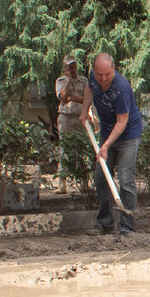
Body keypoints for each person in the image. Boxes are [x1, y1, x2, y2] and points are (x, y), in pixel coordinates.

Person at [81, 53, 142, 236]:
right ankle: (105, 223)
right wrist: (85, 111)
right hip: (108, 132)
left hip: (128, 135)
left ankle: (127, 227)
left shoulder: (121, 88)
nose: (103, 78)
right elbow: (89, 90)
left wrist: (106, 146)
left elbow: (122, 122)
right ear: (94, 72)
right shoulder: (94, 78)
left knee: (125, 181)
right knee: (101, 178)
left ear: (113, 69)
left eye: (107, 74)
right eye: (100, 74)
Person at [54, 55, 88, 193]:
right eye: (69, 67)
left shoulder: (84, 81)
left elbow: (87, 99)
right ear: (65, 68)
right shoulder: (60, 81)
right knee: (65, 150)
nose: (73, 69)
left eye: (74, 66)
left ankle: (84, 183)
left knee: (82, 150)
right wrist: (68, 82)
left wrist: (71, 98)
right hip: (66, 118)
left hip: (81, 118)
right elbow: (62, 97)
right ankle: (62, 184)